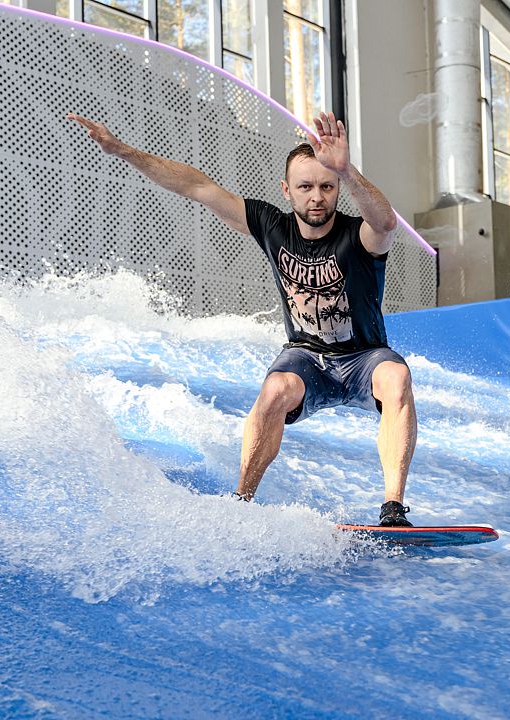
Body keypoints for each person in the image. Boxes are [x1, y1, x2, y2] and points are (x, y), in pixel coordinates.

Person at [68, 110, 417, 527]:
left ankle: (393, 509)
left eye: (327, 186)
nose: (316, 197)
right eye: (305, 187)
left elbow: (386, 221)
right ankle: (241, 502)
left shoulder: (359, 234)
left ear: (338, 188)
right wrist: (122, 150)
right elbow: (197, 185)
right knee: (274, 389)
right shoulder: (273, 227)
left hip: (363, 358)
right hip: (307, 358)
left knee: (396, 377)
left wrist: (348, 170)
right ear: (287, 191)